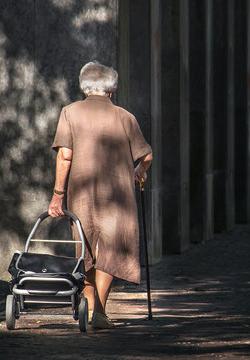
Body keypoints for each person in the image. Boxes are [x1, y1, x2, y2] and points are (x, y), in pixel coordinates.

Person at [47, 61, 153, 329]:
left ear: (84, 88)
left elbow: (65, 156)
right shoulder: (125, 117)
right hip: (119, 196)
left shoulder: (69, 112)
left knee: (86, 248)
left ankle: (91, 307)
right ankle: (100, 312)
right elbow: (147, 156)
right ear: (111, 90)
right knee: (110, 251)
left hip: (82, 193)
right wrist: (139, 171)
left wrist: (57, 195)